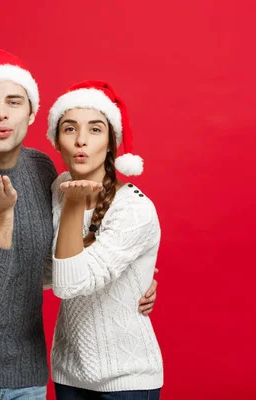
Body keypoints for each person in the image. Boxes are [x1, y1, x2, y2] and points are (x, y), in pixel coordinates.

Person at [0, 47, 158, 400]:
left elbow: (49, 257)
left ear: (31, 114)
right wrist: (0, 215)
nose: (1, 115)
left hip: (26, 377)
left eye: (14, 102)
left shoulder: (41, 171)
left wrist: (137, 274)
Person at [45, 81, 163, 399]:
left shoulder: (133, 207)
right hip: (70, 371)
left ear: (112, 142)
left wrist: (73, 207)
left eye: (95, 130)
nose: (81, 140)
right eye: (69, 129)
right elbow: (46, 274)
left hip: (128, 377)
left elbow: (70, 285)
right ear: (56, 140)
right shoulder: (57, 189)